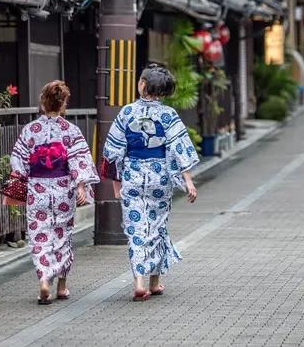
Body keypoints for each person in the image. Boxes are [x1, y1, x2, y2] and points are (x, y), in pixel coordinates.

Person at [102, 64, 199, 302]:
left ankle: (140, 282)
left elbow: (113, 150)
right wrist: (188, 181)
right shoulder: (168, 115)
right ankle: (154, 282)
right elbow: (180, 148)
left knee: (136, 230)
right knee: (156, 228)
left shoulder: (126, 112)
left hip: (133, 176)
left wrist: (116, 184)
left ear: (143, 84)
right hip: (159, 178)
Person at [10, 80, 98, 305]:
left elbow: (18, 161)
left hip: (37, 189)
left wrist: (24, 179)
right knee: (62, 236)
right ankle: (61, 286)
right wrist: (80, 185)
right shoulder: (71, 130)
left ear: (42, 102)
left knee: (39, 236)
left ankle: (44, 280)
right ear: (64, 103)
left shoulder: (30, 130)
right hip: (62, 190)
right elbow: (79, 160)